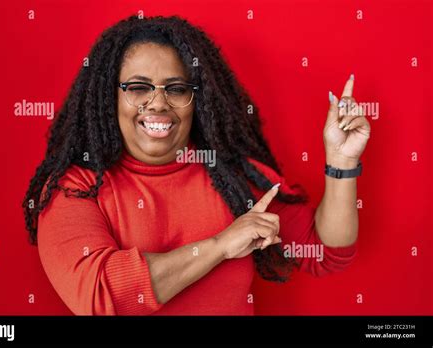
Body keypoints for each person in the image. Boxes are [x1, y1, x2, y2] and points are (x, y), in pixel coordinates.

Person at [22, 15, 371, 315]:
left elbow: (326, 251)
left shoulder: (231, 177)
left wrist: (342, 162)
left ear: (196, 99)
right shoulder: (76, 188)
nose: (158, 103)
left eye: (176, 89)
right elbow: (100, 296)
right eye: (138, 87)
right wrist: (220, 246)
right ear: (108, 96)